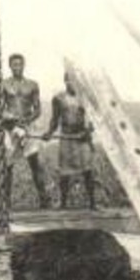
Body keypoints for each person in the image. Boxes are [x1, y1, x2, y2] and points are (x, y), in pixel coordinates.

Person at [0, 53, 49, 209]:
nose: (17, 67)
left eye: (19, 64)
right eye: (14, 65)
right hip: (10, 128)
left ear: (23, 65)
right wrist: (9, 119)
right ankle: (5, 201)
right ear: (10, 66)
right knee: (7, 165)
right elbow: (0, 108)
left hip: (27, 126)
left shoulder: (32, 85)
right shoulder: (3, 84)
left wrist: (26, 121)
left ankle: (44, 200)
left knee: (35, 163)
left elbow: (38, 109)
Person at [44, 72, 97, 210]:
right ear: (65, 81)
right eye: (69, 80)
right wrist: (49, 133)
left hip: (82, 138)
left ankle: (93, 204)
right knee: (65, 172)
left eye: (75, 81)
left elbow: (93, 120)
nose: (72, 84)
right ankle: (63, 203)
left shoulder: (85, 98)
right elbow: (55, 119)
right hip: (66, 137)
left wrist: (87, 132)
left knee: (88, 171)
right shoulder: (58, 98)